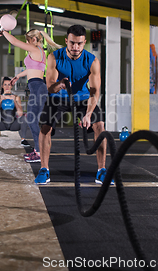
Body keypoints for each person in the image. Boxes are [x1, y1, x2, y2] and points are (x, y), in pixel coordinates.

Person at [35, 24, 111, 185]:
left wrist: (89, 114)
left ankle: (102, 170)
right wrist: (59, 84)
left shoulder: (92, 61)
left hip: (83, 99)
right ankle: (44, 169)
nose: (75, 47)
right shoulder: (55, 57)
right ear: (66, 41)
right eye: (72, 43)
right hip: (59, 97)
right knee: (45, 128)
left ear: (84, 43)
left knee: (100, 126)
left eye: (79, 43)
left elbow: (95, 91)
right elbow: (49, 86)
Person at [0, 29, 61, 163]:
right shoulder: (40, 52)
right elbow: (32, 69)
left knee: (32, 119)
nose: (27, 43)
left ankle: (39, 152)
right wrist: (18, 76)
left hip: (38, 87)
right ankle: (38, 150)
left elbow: (14, 41)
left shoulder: (34, 49)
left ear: (33, 40)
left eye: (28, 40)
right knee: (33, 119)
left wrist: (3, 31)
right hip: (37, 87)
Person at [0, 77, 30, 147]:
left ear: (11, 86)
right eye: (5, 84)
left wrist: (15, 101)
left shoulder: (16, 97)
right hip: (2, 124)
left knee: (24, 118)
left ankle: (23, 140)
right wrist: (0, 101)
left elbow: (20, 114)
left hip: (13, 125)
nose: (7, 87)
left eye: (9, 85)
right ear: (2, 86)